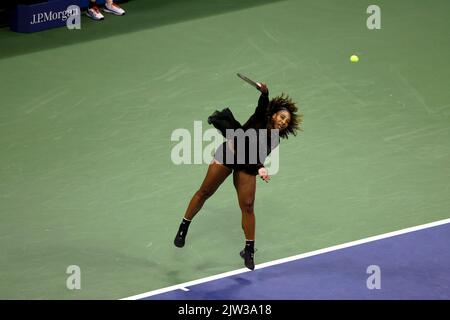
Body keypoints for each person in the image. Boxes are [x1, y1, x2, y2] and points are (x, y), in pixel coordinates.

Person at [173, 82, 302, 270]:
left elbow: (252, 154)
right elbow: (258, 113)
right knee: (205, 192)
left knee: (248, 206)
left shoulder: (274, 140)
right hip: (229, 154)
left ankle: (248, 250)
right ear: (273, 114)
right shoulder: (260, 117)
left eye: (286, 121)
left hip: (248, 165)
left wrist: (258, 167)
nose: (283, 122)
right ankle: (184, 227)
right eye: (282, 117)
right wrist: (265, 93)